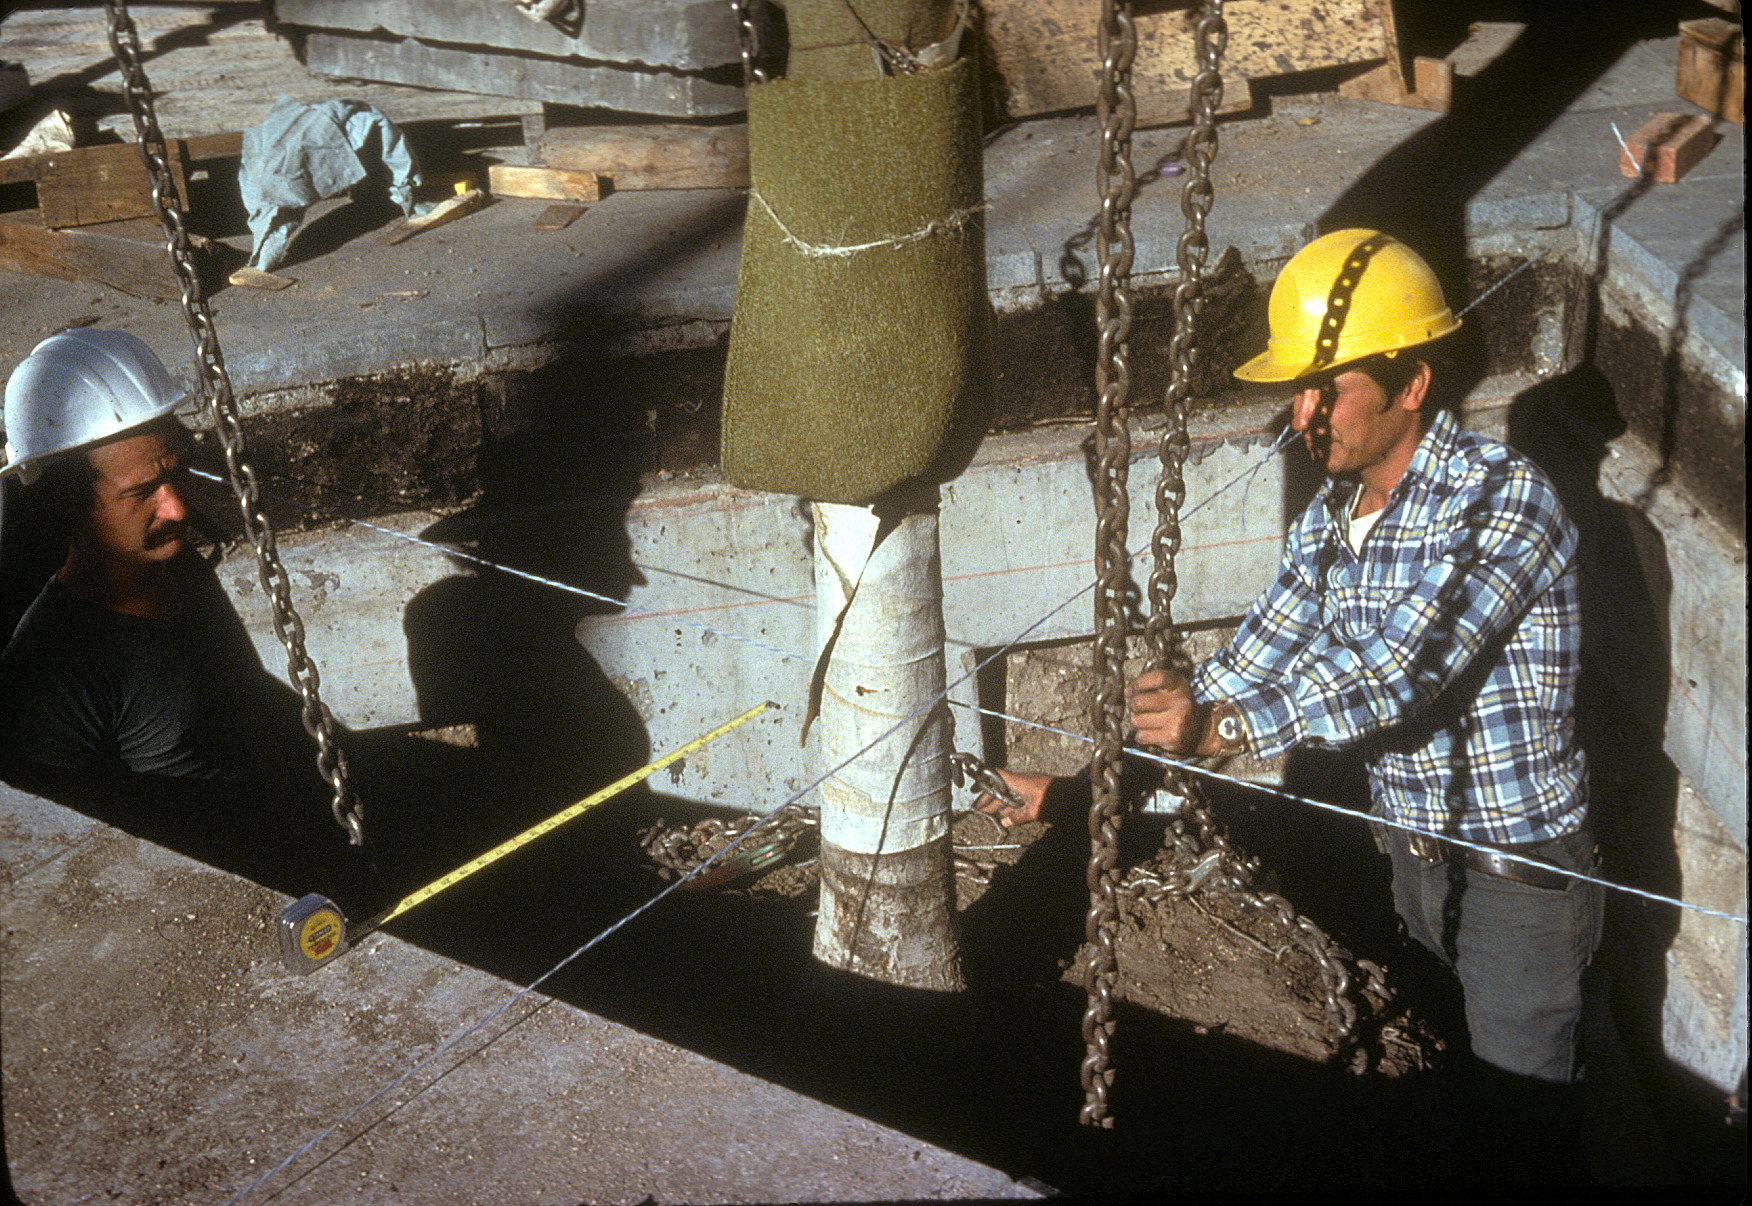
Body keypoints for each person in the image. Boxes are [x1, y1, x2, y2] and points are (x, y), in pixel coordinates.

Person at [980, 230, 1603, 1163]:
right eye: (1297, 392)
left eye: (1327, 389)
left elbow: (1401, 671)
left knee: (1524, 1134)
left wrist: (1222, 726)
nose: (1304, 415)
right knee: (1451, 1101)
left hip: (1517, 885)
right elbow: (1241, 671)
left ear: (1411, 384)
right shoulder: (1330, 520)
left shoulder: (1502, 501)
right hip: (1414, 870)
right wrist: (1087, 792)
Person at [0, 328, 365, 900]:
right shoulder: (53, 678)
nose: (175, 507)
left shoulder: (181, 571)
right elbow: (71, 869)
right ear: (66, 501)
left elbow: (246, 692)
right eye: (142, 490)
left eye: (177, 474)